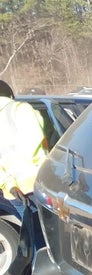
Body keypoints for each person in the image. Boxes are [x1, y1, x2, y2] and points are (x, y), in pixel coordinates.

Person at [0, 79, 48, 221]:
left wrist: (9, 185)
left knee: (33, 234)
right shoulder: (20, 109)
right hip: (36, 184)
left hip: (13, 191)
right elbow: (37, 141)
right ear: (10, 96)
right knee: (53, 234)